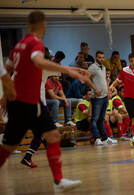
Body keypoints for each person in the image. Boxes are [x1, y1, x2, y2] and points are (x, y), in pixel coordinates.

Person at [1, 11, 83, 192]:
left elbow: (7, 71)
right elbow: (38, 61)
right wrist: (69, 71)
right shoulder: (35, 43)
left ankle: (59, 181)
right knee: (9, 145)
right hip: (25, 101)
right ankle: (58, 181)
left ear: (29, 25)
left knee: (52, 136)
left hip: (31, 102)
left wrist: (4, 95)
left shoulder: (18, 46)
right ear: (44, 26)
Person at [84, 50, 118, 146]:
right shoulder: (93, 67)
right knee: (94, 119)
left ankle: (105, 138)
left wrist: (107, 92)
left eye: (103, 57)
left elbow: (102, 81)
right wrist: (94, 89)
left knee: (101, 119)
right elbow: (86, 78)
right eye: (99, 57)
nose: (101, 59)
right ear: (95, 58)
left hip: (104, 96)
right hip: (97, 97)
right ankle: (96, 138)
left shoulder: (103, 68)